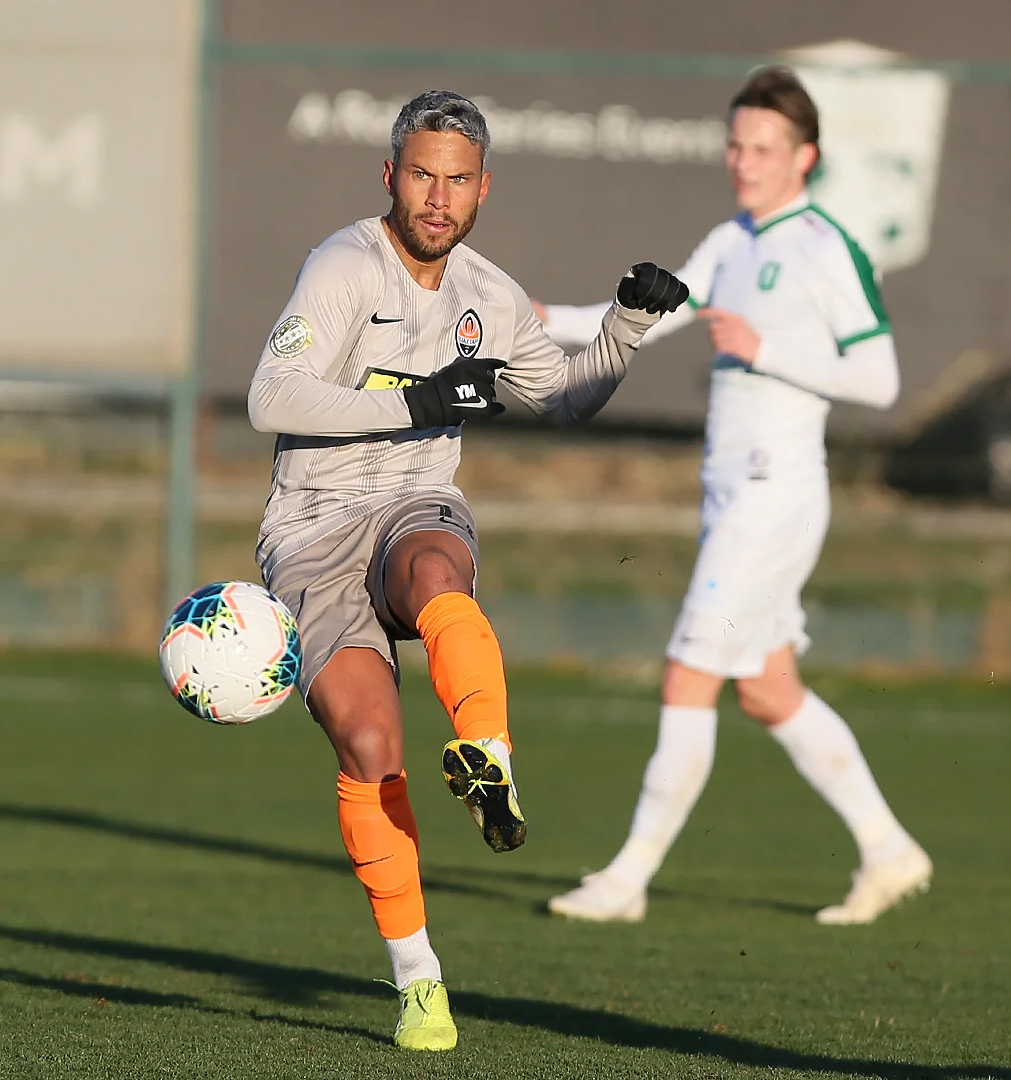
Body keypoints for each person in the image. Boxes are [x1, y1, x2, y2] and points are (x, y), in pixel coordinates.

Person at [247, 90, 687, 1051]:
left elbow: (562, 398)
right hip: (311, 530)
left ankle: (489, 753)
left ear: (485, 188)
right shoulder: (342, 265)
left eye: (456, 180)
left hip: (415, 503)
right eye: (421, 175)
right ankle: (418, 980)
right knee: (369, 744)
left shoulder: (489, 294)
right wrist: (416, 403)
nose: (437, 198)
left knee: (434, 573)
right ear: (390, 176)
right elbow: (270, 396)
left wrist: (627, 324)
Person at [538, 67, 930, 926]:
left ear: (805, 157)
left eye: (763, 148)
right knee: (767, 690)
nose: (743, 162)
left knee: (690, 674)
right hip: (734, 497)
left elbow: (880, 378)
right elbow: (652, 316)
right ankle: (890, 850)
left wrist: (763, 349)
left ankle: (627, 879)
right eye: (735, 144)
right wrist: (540, 318)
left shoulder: (824, 247)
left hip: (773, 499)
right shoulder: (731, 239)